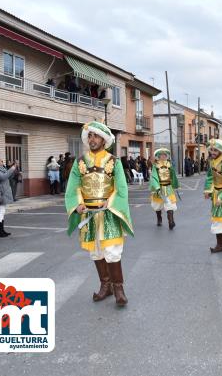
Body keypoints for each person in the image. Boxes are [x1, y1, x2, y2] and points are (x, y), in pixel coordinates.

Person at [65, 121, 134, 307]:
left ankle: (119, 289)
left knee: (112, 252)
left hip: (109, 213)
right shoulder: (79, 162)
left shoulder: (114, 161)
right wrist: (77, 204)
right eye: (89, 136)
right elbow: (73, 187)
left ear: (104, 140)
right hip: (88, 215)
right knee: (96, 253)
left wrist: (109, 202)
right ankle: (106, 286)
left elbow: (121, 188)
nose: (92, 139)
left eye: (95, 136)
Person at [149, 148, 179, 229]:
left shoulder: (170, 165)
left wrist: (175, 185)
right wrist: (156, 187)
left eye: (164, 155)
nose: (163, 156)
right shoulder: (155, 166)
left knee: (170, 205)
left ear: (166, 156)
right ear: (158, 156)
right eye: (161, 155)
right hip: (159, 188)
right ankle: (159, 218)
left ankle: (171, 221)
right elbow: (154, 177)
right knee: (157, 205)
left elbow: (173, 176)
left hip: (168, 187)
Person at [0, 153, 17, 238]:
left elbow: (8, 177)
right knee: (0, 211)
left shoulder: (1, 167)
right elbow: (3, 177)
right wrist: (11, 169)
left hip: (4, 191)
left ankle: (1, 230)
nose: (2, 160)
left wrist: (13, 169)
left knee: (2, 211)